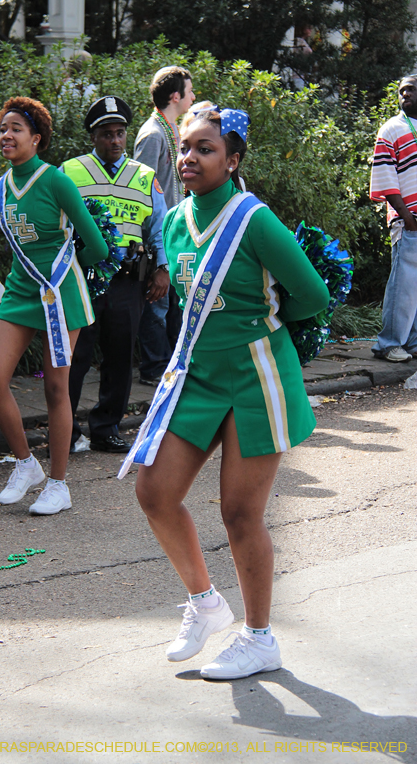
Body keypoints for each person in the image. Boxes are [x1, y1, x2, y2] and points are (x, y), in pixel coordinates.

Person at [130, 106, 329, 679]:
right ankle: (205, 604)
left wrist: (261, 321)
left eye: (205, 149)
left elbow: (311, 295)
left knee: (240, 514)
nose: (190, 157)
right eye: (185, 147)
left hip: (255, 377)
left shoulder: (255, 219)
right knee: (154, 491)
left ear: (233, 160)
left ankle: (260, 637)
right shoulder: (175, 221)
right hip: (197, 376)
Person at [0, 96, 108, 515]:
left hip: (59, 293)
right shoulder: (2, 186)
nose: (7, 135)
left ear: (36, 139)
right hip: (21, 291)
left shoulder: (56, 181)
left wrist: (66, 274)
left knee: (57, 388)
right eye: (3, 128)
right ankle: (25, 464)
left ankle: (58, 483)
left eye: (16, 128)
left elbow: (97, 245)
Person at [61, 95, 169, 453]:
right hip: (82, 278)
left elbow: (158, 228)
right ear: (94, 137)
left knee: (121, 355)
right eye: (107, 133)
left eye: (120, 133)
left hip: (127, 280)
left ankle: (106, 428)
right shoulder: (70, 171)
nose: (115, 140)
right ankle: (68, 430)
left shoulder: (144, 176)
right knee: (74, 356)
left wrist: (163, 269)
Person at [134, 66, 195, 385]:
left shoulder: (172, 129)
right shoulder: (153, 133)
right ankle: (154, 368)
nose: (193, 96)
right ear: (175, 96)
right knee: (157, 303)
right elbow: (143, 188)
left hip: (176, 230)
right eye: (190, 90)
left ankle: (171, 365)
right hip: (159, 233)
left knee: (174, 302)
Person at [370, 74, 417, 362]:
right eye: (402, 91)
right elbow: (386, 176)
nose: (405, 94)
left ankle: (412, 342)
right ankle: (388, 344)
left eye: (412, 89)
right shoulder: (391, 128)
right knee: (403, 283)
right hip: (407, 220)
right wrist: (407, 217)